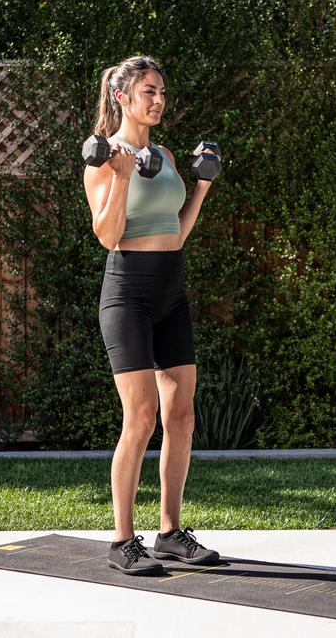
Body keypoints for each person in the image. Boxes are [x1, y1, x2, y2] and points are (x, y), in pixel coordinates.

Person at [82, 54, 221, 575]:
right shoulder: (103, 158)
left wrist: (203, 185)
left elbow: (177, 231)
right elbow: (108, 236)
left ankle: (169, 531)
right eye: (149, 92)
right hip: (128, 293)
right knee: (140, 418)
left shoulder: (162, 152)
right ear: (122, 97)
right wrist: (119, 177)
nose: (159, 100)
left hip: (171, 291)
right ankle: (122, 540)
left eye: (162, 91)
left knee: (181, 416)